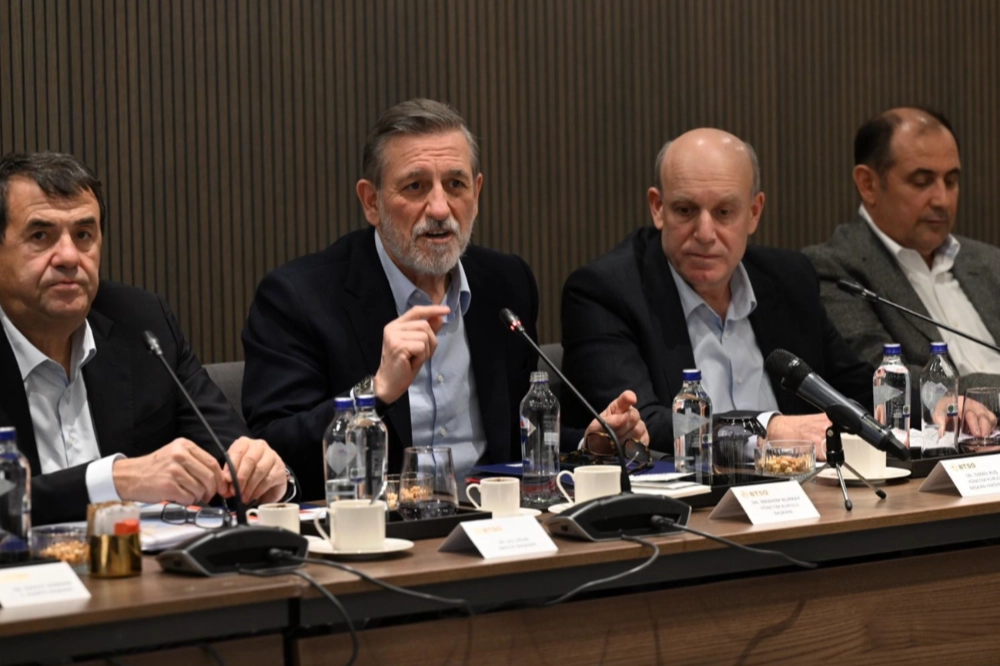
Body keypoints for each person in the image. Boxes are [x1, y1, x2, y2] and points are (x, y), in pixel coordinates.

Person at [242, 98, 647, 500]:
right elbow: (276, 451)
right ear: (371, 202)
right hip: (378, 525)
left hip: (496, 519)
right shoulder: (300, 298)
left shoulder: (506, 284)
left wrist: (590, 444)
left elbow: (515, 438)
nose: (439, 209)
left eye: (455, 184)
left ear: (477, 192)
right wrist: (374, 393)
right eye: (415, 186)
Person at [0, 152, 290, 525]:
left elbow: (229, 455)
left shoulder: (141, 324)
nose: (69, 257)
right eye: (40, 236)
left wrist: (264, 475)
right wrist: (113, 481)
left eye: (84, 235)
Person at [561, 128, 873, 458]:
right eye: (685, 210)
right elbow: (642, 425)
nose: (705, 233)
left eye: (724, 212)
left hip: (809, 484)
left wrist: (913, 406)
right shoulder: (606, 292)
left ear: (754, 212)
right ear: (658, 207)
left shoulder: (789, 279)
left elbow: (855, 390)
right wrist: (767, 429)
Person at [804, 107, 1000, 396]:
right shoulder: (834, 270)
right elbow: (881, 378)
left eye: (951, 181)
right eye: (922, 182)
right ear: (868, 184)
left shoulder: (989, 261)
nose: (943, 200)